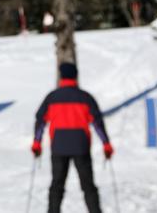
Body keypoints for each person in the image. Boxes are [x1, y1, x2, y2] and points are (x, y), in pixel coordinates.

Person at [32, 62, 114, 213]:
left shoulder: (52, 97)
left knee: (57, 185)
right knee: (88, 186)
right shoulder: (85, 98)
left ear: (61, 76)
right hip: (81, 146)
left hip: (59, 146)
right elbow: (98, 124)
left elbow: (40, 121)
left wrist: (37, 143)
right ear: (76, 76)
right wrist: (106, 144)